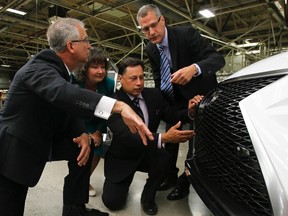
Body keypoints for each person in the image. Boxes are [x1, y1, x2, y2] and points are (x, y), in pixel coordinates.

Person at [0, 18, 153, 216]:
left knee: (82, 148)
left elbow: (66, 109)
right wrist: (118, 106)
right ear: (71, 46)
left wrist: (82, 134)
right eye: (86, 40)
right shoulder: (39, 68)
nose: (89, 45)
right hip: (15, 148)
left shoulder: (63, 72)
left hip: (39, 138)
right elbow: (63, 94)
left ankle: (74, 208)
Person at [137, 4, 225, 201]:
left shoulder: (186, 35)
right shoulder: (151, 48)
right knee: (171, 139)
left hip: (201, 99)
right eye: (145, 29)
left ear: (162, 20)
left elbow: (218, 59)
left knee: (196, 144)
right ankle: (168, 176)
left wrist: (194, 69)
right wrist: (161, 104)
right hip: (174, 100)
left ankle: (185, 181)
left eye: (153, 25)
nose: (151, 32)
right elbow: (159, 77)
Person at [101, 57, 203, 215]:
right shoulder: (112, 102)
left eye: (142, 77)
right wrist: (164, 138)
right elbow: (126, 136)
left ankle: (148, 197)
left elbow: (170, 115)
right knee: (113, 202)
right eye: (133, 78)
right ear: (120, 79)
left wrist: (190, 111)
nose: (139, 83)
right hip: (123, 157)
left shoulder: (154, 95)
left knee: (163, 156)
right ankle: (123, 185)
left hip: (148, 151)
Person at [76, 47, 115, 197]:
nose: (100, 71)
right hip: (76, 120)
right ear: (85, 69)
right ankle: (79, 178)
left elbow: (107, 112)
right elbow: (69, 110)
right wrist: (84, 133)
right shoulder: (75, 82)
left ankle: (85, 179)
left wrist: (98, 131)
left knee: (97, 149)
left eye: (103, 67)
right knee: (78, 149)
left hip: (95, 121)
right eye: (95, 67)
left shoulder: (108, 84)